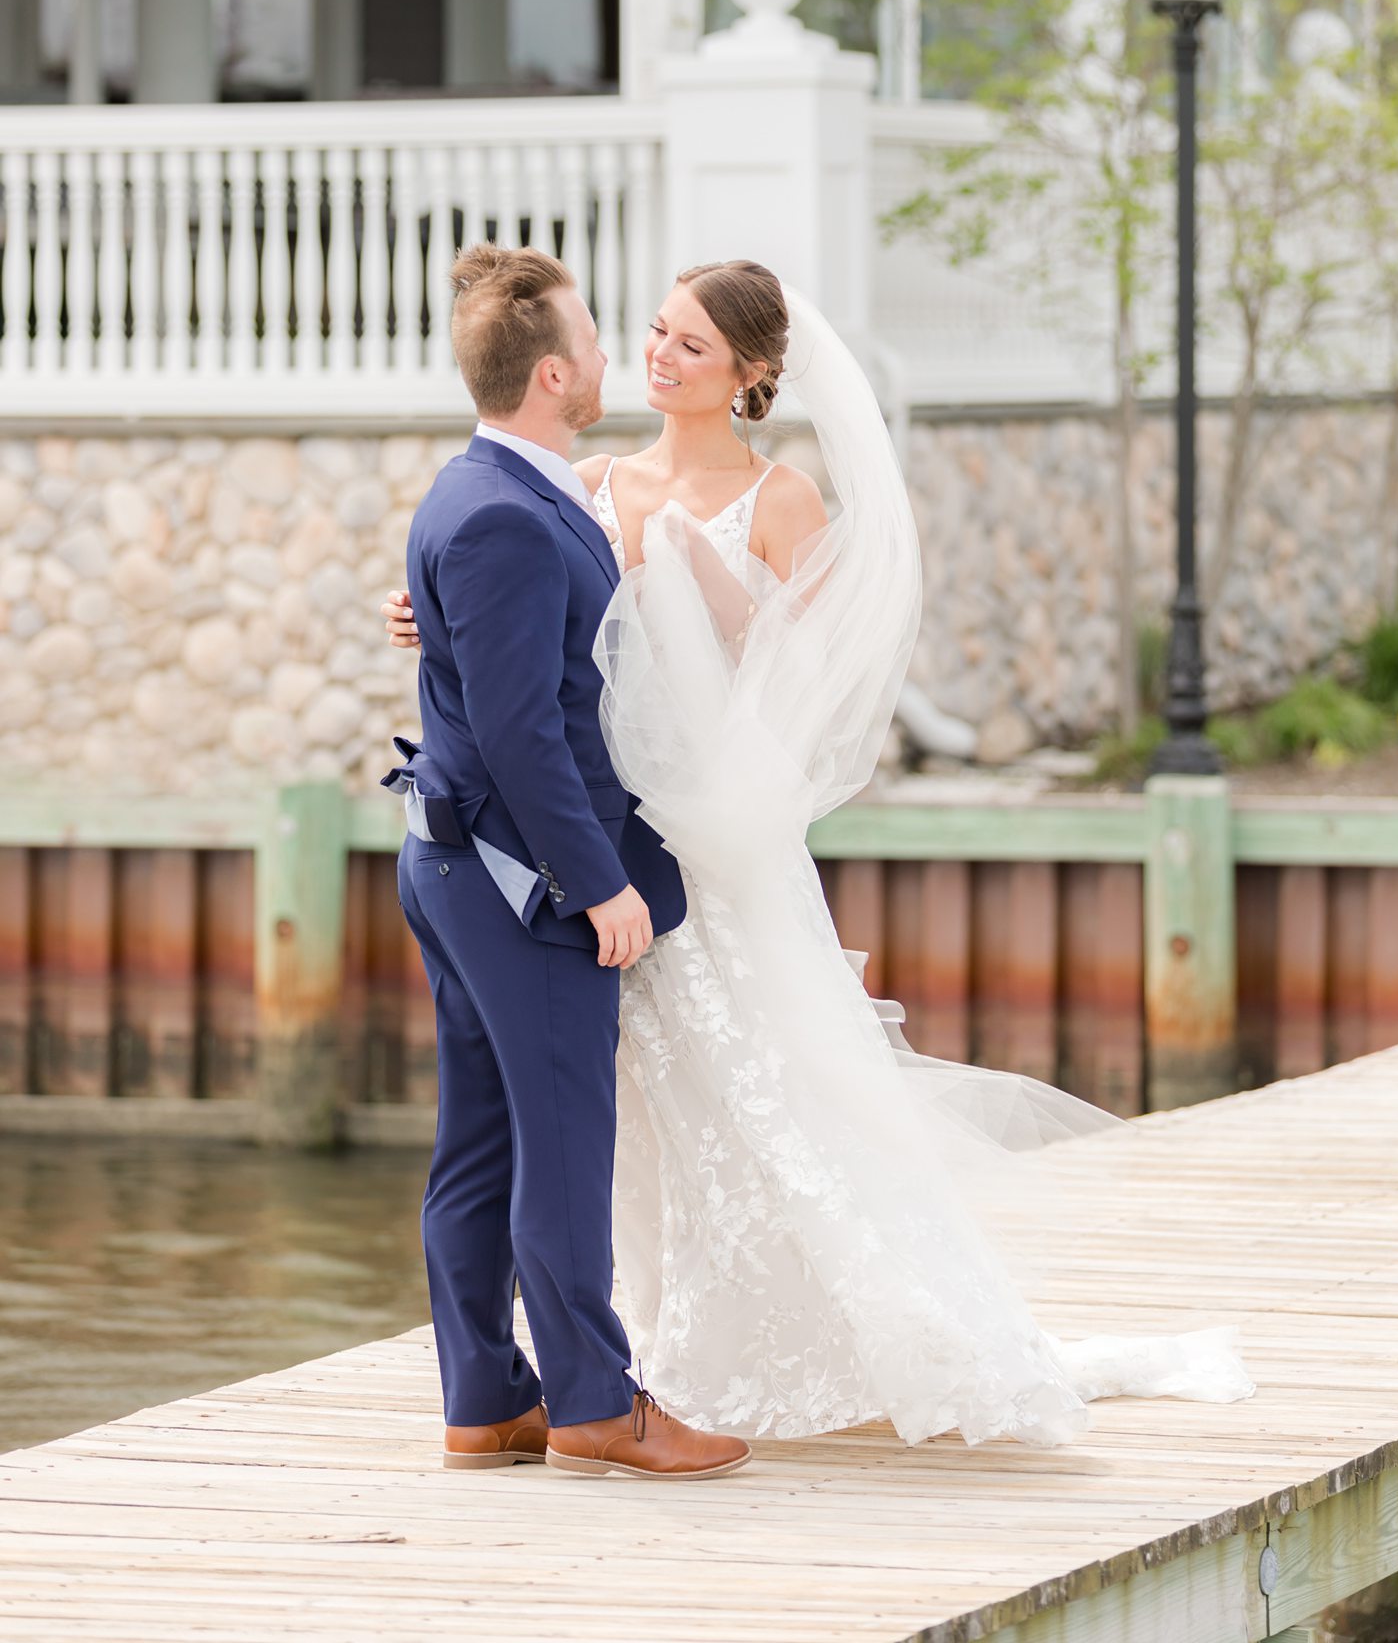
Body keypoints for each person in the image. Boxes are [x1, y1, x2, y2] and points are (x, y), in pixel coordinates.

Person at [385, 255, 1254, 1447]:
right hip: (590, 852)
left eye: (688, 344)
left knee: (758, 1100)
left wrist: (704, 591)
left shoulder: (778, 501)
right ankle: (596, 1378)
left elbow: (809, 687)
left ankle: (719, 1352)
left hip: (694, 847)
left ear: (746, 374)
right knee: (601, 1126)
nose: (654, 356)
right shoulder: (580, 484)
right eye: (648, 332)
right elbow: (518, 647)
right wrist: (425, 613)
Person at [389, 243, 750, 1481]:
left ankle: (488, 1402)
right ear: (553, 374)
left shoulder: (489, 490)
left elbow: (498, 661)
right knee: (560, 1142)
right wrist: (597, 882)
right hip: (516, 880)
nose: (616, 358)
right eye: (599, 341)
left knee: (483, 1141)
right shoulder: (502, 511)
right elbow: (518, 729)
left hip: (457, 865)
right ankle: (594, 1401)